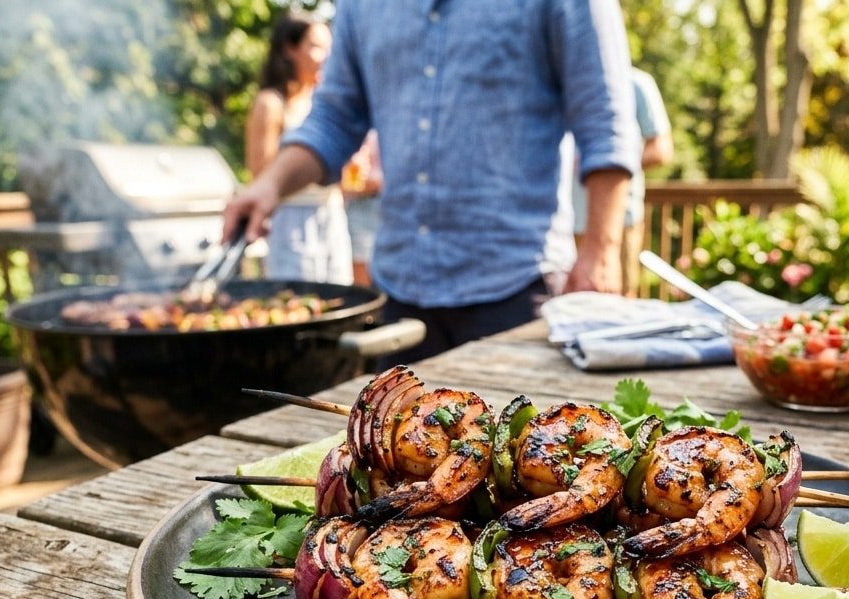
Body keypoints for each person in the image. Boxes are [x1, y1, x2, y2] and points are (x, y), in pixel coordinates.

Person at [224, 0, 639, 364]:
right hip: (401, 292)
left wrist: (601, 251)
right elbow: (333, 118)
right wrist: (270, 184)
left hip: (516, 285)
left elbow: (605, 118)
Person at [246, 12, 352, 284]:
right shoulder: (271, 103)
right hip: (292, 221)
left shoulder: (324, 103)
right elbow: (260, 173)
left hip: (332, 214)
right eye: (316, 47)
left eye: (330, 48)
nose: (326, 56)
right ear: (290, 48)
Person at [574, 66, 673, 296]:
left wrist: (604, 166)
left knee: (616, 304)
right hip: (561, 223)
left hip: (617, 222)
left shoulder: (636, 83)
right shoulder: (564, 81)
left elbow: (662, 149)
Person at [342, 131, 382, 287]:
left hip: (388, 207)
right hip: (362, 206)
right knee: (363, 282)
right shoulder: (358, 130)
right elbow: (348, 184)